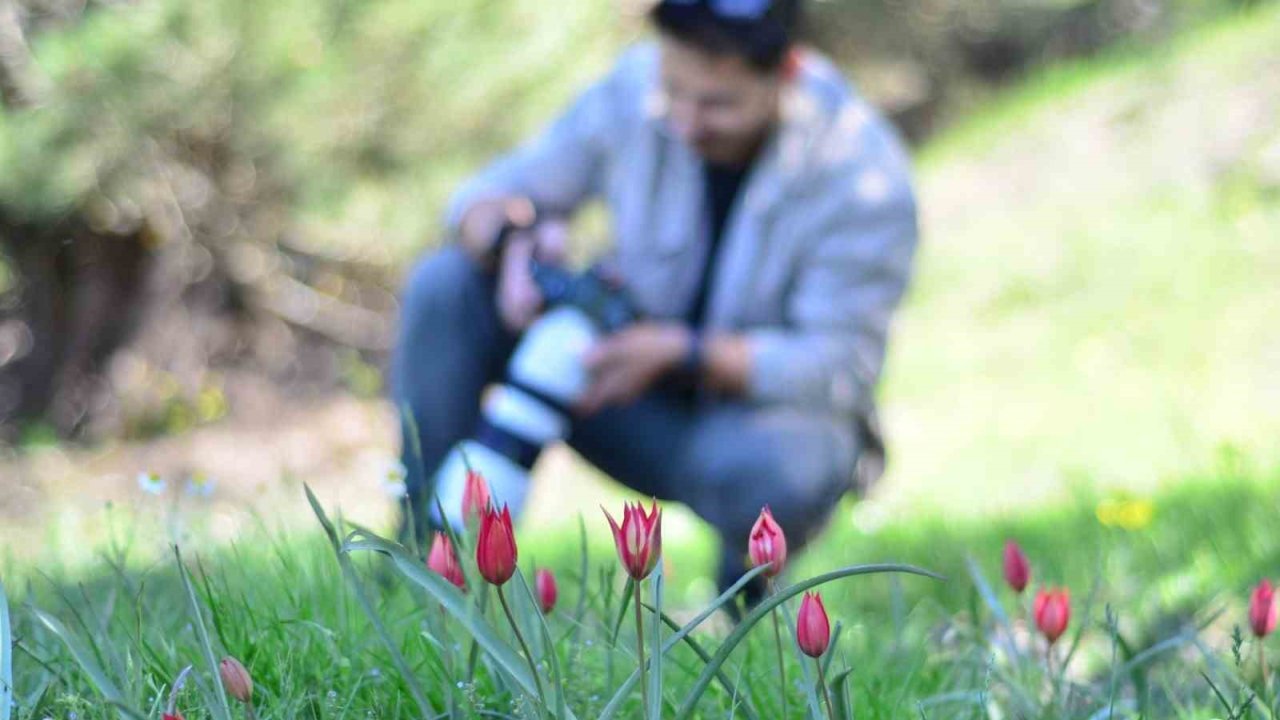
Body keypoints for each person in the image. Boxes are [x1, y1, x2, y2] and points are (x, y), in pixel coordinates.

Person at [392, 0, 919, 602]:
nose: (687, 122)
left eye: (719, 104)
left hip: (750, 428)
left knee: (784, 466)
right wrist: (512, 239)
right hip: (610, 384)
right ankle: (419, 557)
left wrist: (685, 353)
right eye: (675, 93)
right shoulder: (634, 89)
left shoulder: (863, 172)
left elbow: (839, 366)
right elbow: (486, 194)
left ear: (787, 72)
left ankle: (747, 594)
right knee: (445, 283)